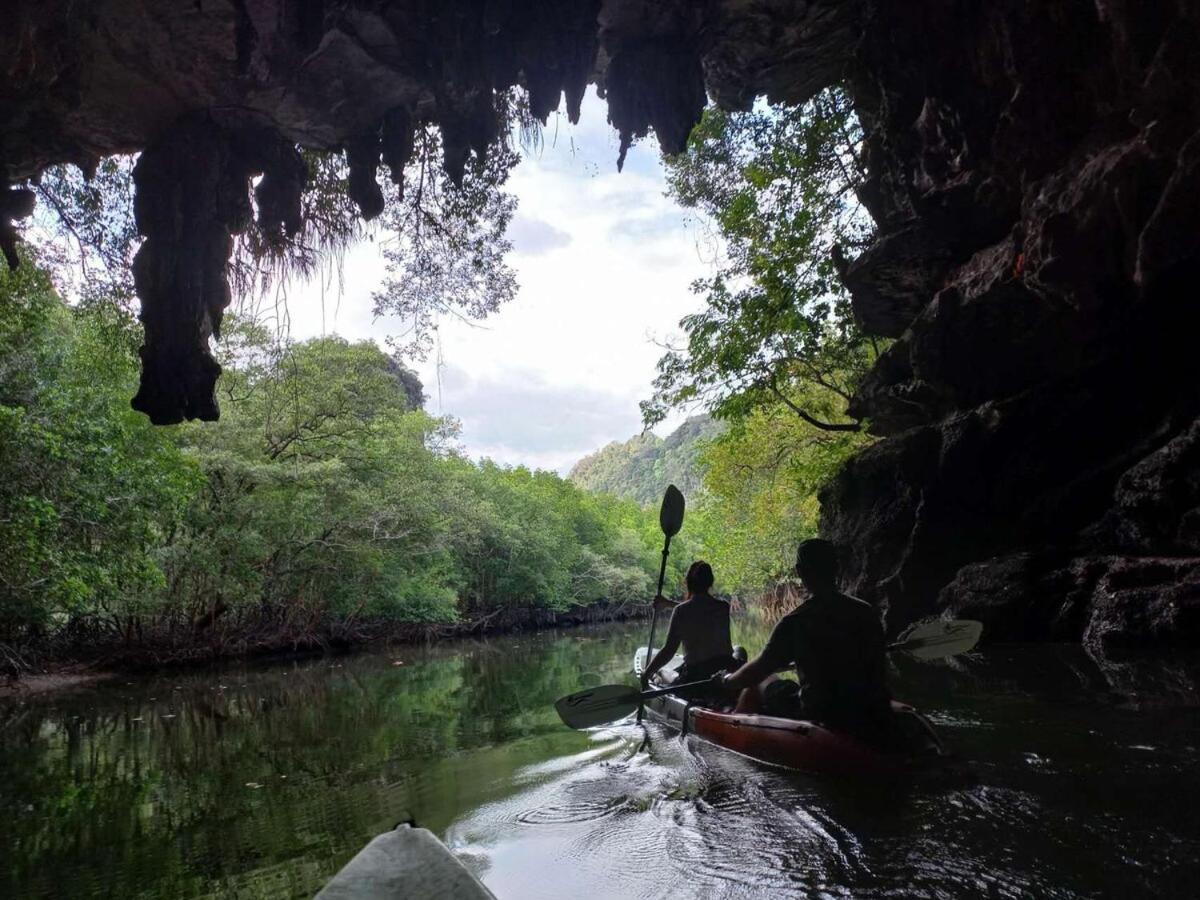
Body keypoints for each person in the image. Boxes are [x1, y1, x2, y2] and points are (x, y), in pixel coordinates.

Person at [716, 539, 892, 741]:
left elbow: (757, 671)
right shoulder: (865, 611)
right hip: (874, 708)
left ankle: (733, 735)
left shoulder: (796, 621)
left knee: (762, 682)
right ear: (837, 567)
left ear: (800, 571)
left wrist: (726, 681)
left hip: (823, 713)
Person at [640, 561, 738, 699]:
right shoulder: (723, 607)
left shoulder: (681, 611)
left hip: (698, 674)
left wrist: (646, 674)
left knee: (661, 672)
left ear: (688, 583)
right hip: (726, 668)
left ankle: (659, 675)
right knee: (738, 651)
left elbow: (668, 651)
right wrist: (668, 604)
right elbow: (702, 610)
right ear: (711, 582)